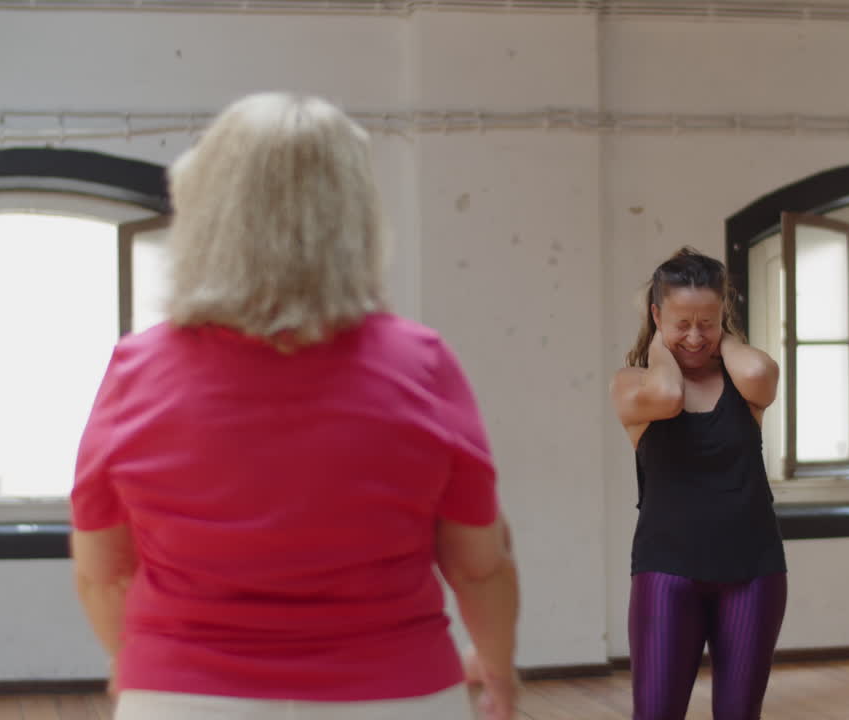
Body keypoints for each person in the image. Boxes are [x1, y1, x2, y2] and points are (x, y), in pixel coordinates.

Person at [69, 92, 519, 720]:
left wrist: (141, 666)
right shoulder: (421, 363)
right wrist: (498, 671)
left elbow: (102, 573)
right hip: (396, 694)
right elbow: (478, 566)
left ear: (201, 209)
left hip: (183, 698)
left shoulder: (136, 369)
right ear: (355, 216)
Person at [610, 247, 786, 720]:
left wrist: (721, 336)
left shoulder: (745, 384)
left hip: (753, 570)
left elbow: (755, 370)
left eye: (707, 322)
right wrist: (657, 349)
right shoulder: (632, 384)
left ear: (723, 316)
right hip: (667, 571)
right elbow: (667, 397)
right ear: (655, 315)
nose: (694, 336)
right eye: (680, 323)